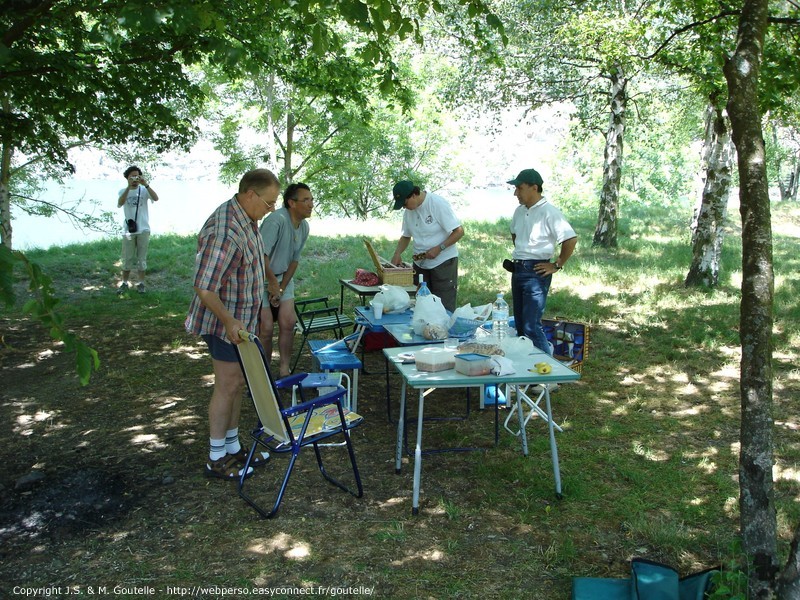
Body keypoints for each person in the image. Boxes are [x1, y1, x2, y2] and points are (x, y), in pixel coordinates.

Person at [185, 168, 281, 480]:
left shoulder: (249, 218)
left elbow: (255, 261)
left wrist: (265, 301)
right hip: (223, 322)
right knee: (227, 385)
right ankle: (216, 459)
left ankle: (232, 446)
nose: (271, 210)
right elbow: (205, 287)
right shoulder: (225, 231)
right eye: (269, 203)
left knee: (239, 383)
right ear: (250, 194)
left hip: (243, 321)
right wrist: (228, 321)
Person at [507, 168, 577, 354]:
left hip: (536, 271)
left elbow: (570, 239)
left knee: (531, 326)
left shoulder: (549, 212)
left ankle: (548, 375)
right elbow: (515, 234)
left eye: (519, 188)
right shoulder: (519, 211)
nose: (516, 193)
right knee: (521, 325)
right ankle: (530, 370)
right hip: (518, 268)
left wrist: (557, 264)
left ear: (534, 188)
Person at [258, 182, 313, 377]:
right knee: (265, 328)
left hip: (282, 278)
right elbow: (259, 255)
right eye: (305, 200)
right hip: (259, 276)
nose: (311, 204)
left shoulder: (304, 226)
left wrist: (280, 288)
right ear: (291, 202)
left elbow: (294, 261)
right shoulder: (277, 220)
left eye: (312, 199)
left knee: (288, 322)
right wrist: (272, 284)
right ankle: (263, 373)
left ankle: (284, 369)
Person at [390, 180, 464, 312]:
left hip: (443, 263)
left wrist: (439, 248)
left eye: (405, 204)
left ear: (413, 195)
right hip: (420, 264)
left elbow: (459, 231)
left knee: (442, 306)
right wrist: (397, 254)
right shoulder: (408, 212)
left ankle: (442, 331)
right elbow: (406, 236)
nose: (404, 207)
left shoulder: (436, 204)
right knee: (421, 305)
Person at [117, 166, 159, 293]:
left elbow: (156, 198)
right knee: (127, 257)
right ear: (127, 178)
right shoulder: (122, 191)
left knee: (142, 258)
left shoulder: (144, 190)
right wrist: (128, 188)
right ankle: (124, 282)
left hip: (143, 229)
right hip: (128, 231)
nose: (135, 179)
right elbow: (120, 203)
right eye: (132, 176)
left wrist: (145, 184)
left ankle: (141, 283)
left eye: (137, 176)